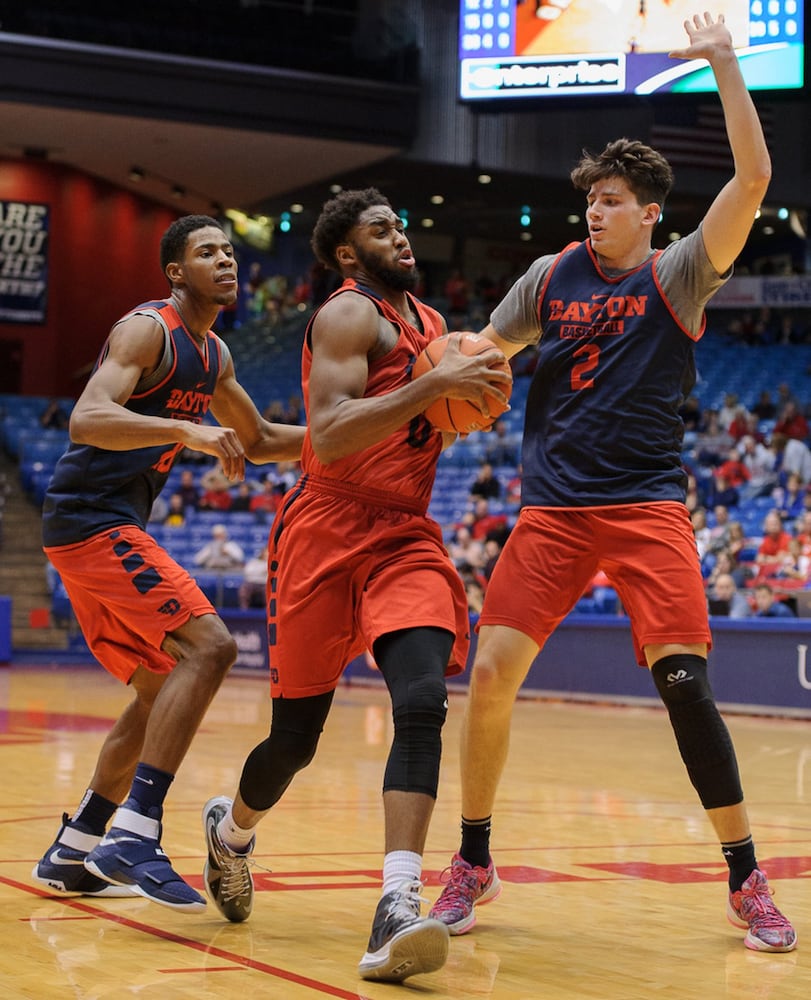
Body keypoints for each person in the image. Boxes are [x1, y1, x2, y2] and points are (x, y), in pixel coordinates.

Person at [429, 15, 796, 954]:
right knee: (492, 678)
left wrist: (720, 61)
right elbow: (482, 352)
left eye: (613, 198)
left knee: (685, 686)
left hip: (643, 512)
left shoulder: (680, 275)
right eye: (590, 196)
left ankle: (745, 877)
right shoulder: (549, 277)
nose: (595, 210)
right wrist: (441, 365)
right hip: (550, 515)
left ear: (649, 216)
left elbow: (752, 179)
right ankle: (471, 861)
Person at [199, 187, 512, 982]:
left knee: (420, 702)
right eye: (381, 229)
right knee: (294, 740)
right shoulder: (346, 316)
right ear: (347, 254)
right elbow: (333, 437)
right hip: (325, 529)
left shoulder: (433, 329)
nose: (400, 237)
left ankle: (397, 902)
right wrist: (432, 391)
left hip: (404, 532)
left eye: (400, 225)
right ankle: (231, 834)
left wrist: (471, 403)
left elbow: (435, 412)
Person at [32, 215, 305, 911]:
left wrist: (370, 434)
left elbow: (266, 439)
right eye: (205, 251)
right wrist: (185, 428)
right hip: (91, 518)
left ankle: (78, 845)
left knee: (158, 688)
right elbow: (87, 418)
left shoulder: (213, 356)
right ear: (176, 272)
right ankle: (135, 832)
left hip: (102, 525)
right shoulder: (147, 330)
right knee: (210, 648)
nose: (225, 261)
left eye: (229, 251)